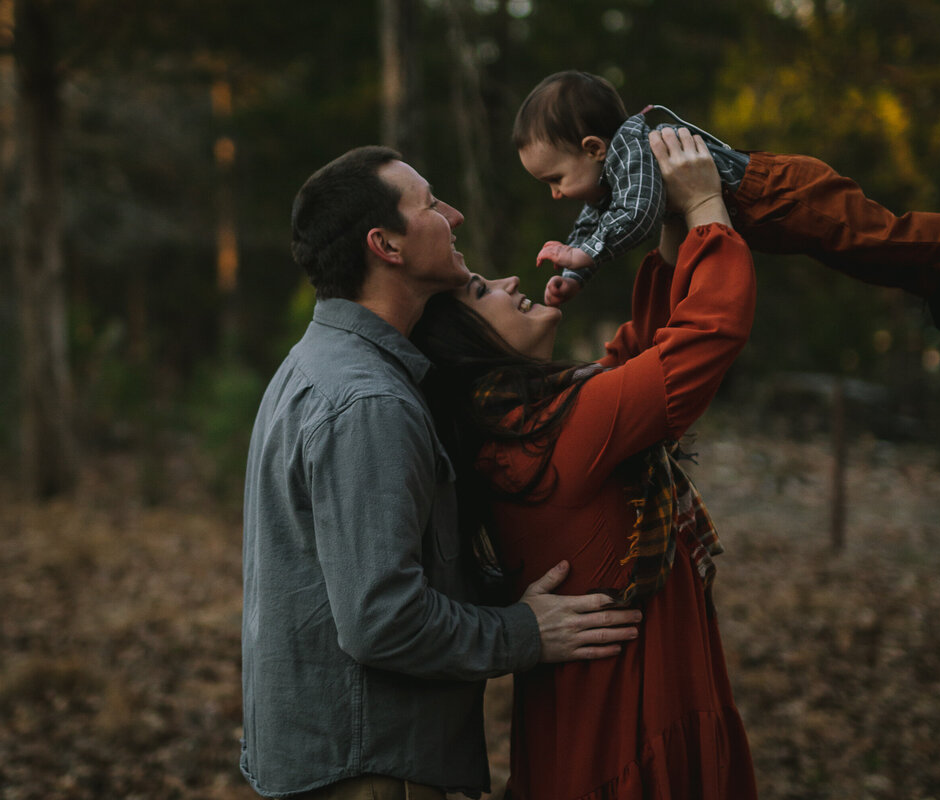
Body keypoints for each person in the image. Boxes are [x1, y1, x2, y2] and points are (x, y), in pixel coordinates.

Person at [240, 146, 645, 800]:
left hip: (349, 758)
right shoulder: (367, 401)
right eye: (429, 205)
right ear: (387, 245)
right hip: (370, 769)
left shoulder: (321, 364)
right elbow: (381, 619)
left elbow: (384, 573)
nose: (452, 214)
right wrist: (525, 633)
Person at [411, 126, 758, 798]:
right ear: (466, 341)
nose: (510, 280)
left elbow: (638, 356)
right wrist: (708, 211)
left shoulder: (521, 424)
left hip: (592, 729)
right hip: (629, 729)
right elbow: (706, 335)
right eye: (483, 289)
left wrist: (666, 223)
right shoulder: (550, 428)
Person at [514, 69, 940, 331]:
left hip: (781, 190)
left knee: (874, 234)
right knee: (849, 254)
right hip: (764, 220)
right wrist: (574, 273)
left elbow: (640, 214)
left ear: (593, 149)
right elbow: (592, 224)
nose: (556, 192)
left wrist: (588, 254)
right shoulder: (607, 179)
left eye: (554, 178)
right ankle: (939, 278)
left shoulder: (634, 150)